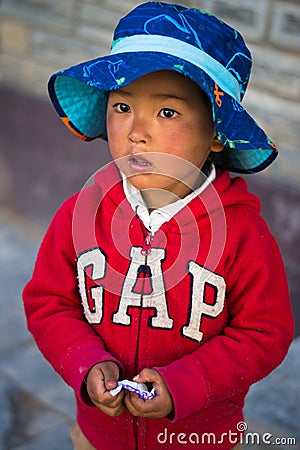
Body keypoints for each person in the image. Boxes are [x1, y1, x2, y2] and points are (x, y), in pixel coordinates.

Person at [23, 2, 294, 449]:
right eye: (122, 105)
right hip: (99, 436)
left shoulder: (243, 234)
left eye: (167, 112)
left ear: (215, 133)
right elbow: (49, 302)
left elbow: (265, 333)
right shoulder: (79, 215)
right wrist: (85, 363)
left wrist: (185, 384)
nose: (136, 131)